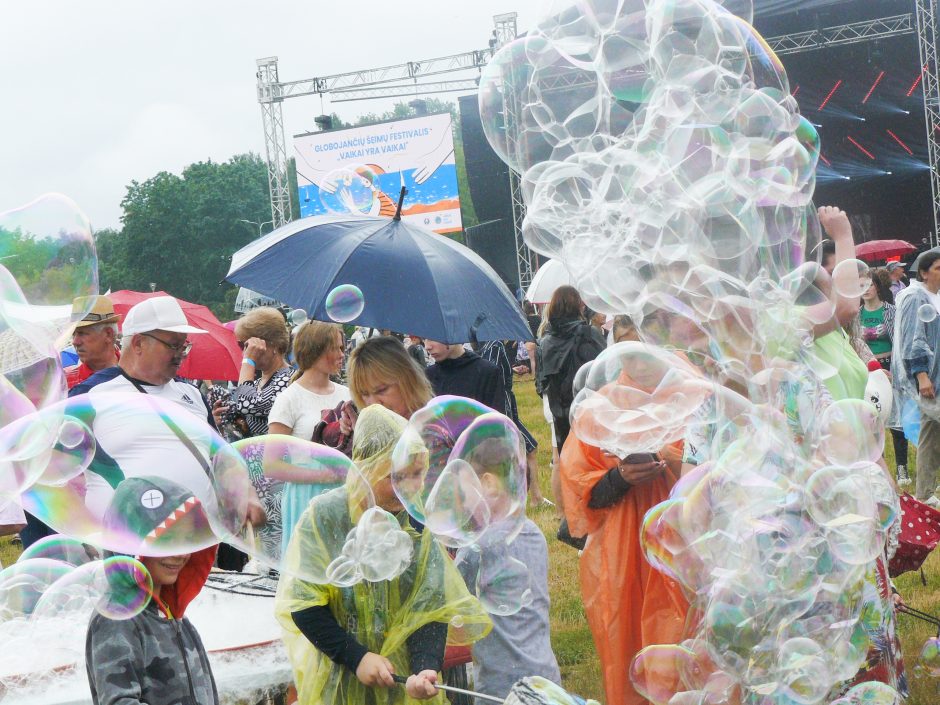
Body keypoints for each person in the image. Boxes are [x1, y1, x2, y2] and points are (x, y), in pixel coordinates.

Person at [274, 405, 491, 705]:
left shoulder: (414, 523)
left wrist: (424, 669)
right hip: (340, 682)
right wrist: (357, 657)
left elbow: (429, 607)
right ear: (367, 468)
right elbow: (303, 605)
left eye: (418, 475)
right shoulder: (325, 517)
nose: (411, 487)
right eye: (397, 477)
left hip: (400, 686)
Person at [69, 295, 216, 519]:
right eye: (173, 345)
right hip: (122, 544)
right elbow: (59, 472)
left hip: (199, 540)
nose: (180, 355)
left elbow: (220, 457)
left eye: (184, 346)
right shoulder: (88, 395)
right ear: (138, 343)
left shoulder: (192, 394)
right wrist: (83, 530)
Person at [86, 476, 219, 705]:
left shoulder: (171, 614)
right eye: (167, 540)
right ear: (131, 543)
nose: (181, 553)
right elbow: (119, 701)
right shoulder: (116, 618)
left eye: (187, 540)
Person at [453, 425, 560, 700]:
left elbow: (449, 598)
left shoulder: (476, 547)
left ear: (488, 484)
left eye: (465, 494)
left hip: (500, 686)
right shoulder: (533, 533)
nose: (463, 505)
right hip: (544, 677)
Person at [535, 286, 606, 513]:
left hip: (554, 403)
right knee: (588, 456)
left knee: (560, 457)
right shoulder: (589, 334)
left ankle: (563, 513)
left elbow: (540, 377)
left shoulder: (545, 339)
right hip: (584, 401)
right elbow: (601, 370)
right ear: (577, 306)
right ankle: (585, 508)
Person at [476, 339, 545, 505]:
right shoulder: (495, 345)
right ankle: (526, 497)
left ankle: (535, 496)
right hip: (502, 405)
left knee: (529, 448)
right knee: (523, 449)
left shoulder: (491, 345)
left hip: (504, 404)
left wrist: (513, 370)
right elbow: (491, 374)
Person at [896, 250, 940, 503]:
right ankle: (924, 494)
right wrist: (922, 376)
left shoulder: (936, 296)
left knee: (930, 434)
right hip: (930, 379)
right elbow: (914, 339)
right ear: (923, 272)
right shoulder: (915, 297)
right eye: (938, 268)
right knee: (930, 434)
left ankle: (924, 493)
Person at [858, 269, 909, 484]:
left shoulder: (891, 311)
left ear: (877, 286)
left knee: (896, 421)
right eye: (860, 286)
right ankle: (876, 468)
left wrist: (895, 369)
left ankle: (902, 468)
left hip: (890, 369)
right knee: (870, 422)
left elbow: (900, 341)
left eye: (868, 285)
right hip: (866, 371)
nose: (865, 290)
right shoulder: (856, 314)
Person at [211, 306, 292, 438]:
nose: (244, 353)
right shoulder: (258, 382)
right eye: (241, 346)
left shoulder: (288, 379)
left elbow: (246, 404)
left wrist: (248, 361)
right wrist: (220, 421)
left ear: (274, 344)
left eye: (248, 346)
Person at [268, 321, 351, 441]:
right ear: (314, 351)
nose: (342, 354)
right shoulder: (288, 400)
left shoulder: (347, 394)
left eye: (341, 348)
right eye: (335, 348)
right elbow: (272, 457)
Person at [347, 336, 435, 421]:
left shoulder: (439, 429)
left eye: (381, 390)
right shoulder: (367, 428)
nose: (374, 403)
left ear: (408, 379)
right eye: (365, 394)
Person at [424, 340, 507, 415]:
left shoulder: (487, 372)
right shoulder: (428, 375)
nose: (427, 346)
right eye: (424, 339)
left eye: (433, 339)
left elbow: (496, 424)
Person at [65, 295, 122, 389]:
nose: (75, 342)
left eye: (82, 333)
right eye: (73, 334)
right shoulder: (66, 383)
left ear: (108, 334)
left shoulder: (137, 374)